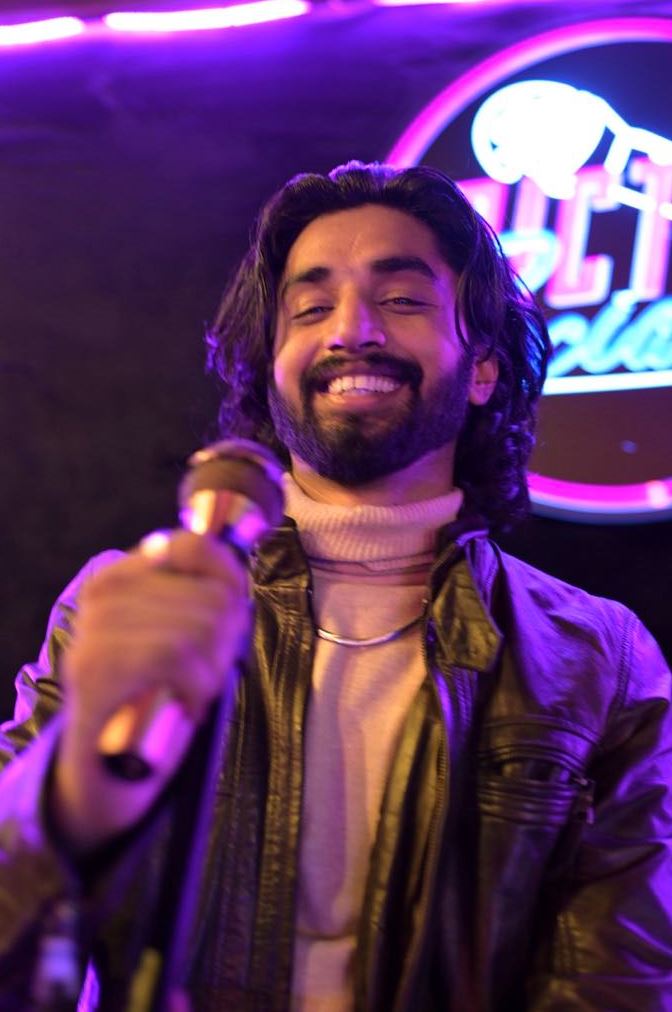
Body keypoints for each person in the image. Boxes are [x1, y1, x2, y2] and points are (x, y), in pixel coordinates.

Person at [0, 160, 671, 1011]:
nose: (351, 330)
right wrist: (75, 779)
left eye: (401, 300)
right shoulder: (129, 603)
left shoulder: (598, 659)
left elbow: (617, 982)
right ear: (270, 369)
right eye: (310, 307)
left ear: (483, 371)